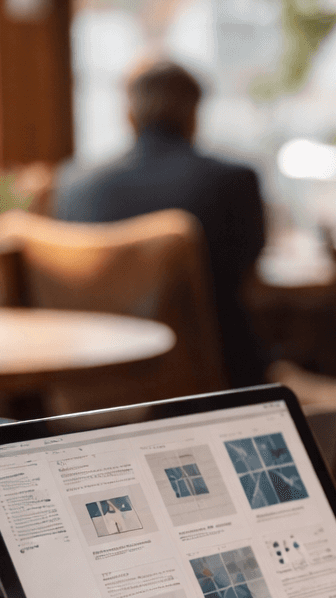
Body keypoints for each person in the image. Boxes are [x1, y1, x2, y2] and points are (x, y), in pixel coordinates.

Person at [56, 60, 269, 387]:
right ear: (194, 114)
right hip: (216, 386)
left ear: (127, 115)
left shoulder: (75, 185)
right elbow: (249, 276)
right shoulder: (232, 182)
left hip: (95, 385)